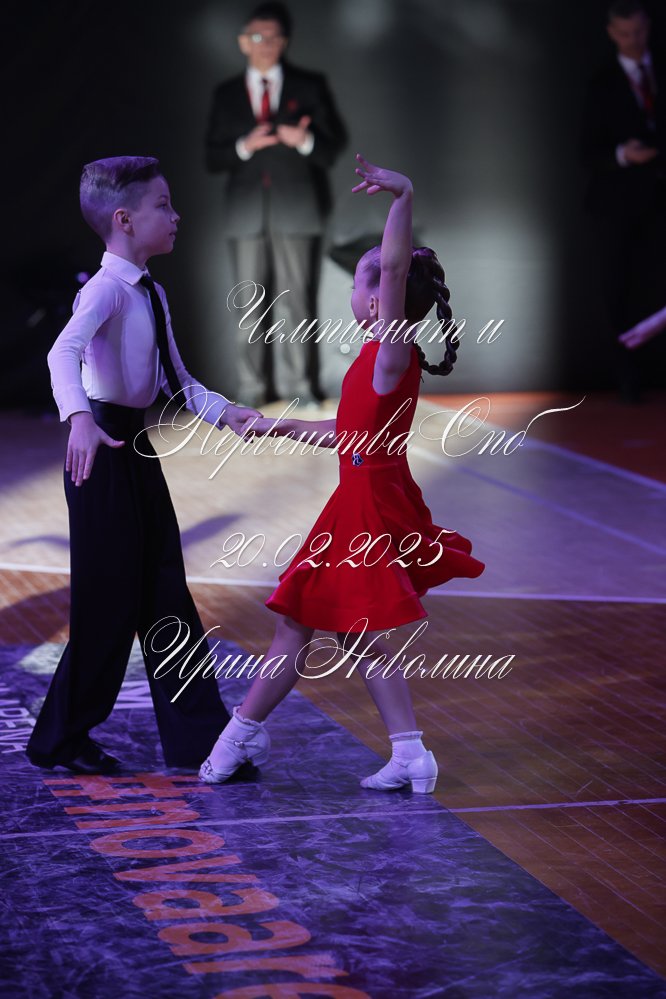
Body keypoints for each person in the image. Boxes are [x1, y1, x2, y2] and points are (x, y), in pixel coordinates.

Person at [199, 155, 485, 793]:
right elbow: (349, 434)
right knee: (351, 633)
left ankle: (240, 735)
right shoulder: (376, 359)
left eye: (362, 283)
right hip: (361, 496)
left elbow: (393, 266)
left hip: (366, 508)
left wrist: (403, 194)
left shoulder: (392, 352)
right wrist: (278, 426)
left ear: (381, 297)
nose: (355, 294)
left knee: (299, 623)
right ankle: (407, 753)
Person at [26, 156, 260, 774]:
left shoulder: (151, 291)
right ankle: (59, 740)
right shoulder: (105, 289)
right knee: (107, 604)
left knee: (166, 596)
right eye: (163, 205)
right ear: (125, 220)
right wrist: (79, 419)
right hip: (100, 453)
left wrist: (227, 413)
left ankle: (201, 741)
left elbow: (177, 381)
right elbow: (61, 354)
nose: (176, 215)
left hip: (137, 448)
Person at [205, 1, 347, 407]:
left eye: (273, 37)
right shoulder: (227, 94)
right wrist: (244, 146)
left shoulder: (309, 86)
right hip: (245, 212)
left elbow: (333, 147)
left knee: (296, 302)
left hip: (297, 208)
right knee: (248, 304)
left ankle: (301, 386)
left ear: (284, 42)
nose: (265, 44)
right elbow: (212, 158)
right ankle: (252, 388)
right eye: (257, 36)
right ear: (243, 42)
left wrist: (303, 140)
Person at [581, 0, 666, 401]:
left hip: (660, 197)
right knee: (621, 289)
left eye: (640, 31)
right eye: (626, 33)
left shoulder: (660, 68)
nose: (635, 40)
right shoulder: (600, 83)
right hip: (618, 205)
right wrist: (623, 155)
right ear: (612, 33)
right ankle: (629, 377)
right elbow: (587, 151)